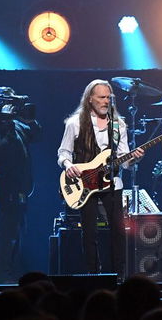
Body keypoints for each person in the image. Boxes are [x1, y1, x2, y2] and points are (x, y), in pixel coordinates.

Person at [58, 80, 143, 276]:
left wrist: (135, 159)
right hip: (84, 184)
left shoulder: (118, 125)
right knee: (89, 233)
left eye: (109, 98)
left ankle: (117, 275)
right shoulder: (74, 123)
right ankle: (93, 275)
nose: (106, 102)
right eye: (102, 97)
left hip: (112, 184)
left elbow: (125, 162)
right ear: (90, 100)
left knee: (119, 232)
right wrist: (68, 165)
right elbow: (63, 152)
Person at [0, 87, 42, 283]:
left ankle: (13, 272)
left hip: (21, 184)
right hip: (5, 184)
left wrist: (30, 119)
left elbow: (37, 136)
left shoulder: (16, 124)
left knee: (17, 230)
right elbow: (4, 148)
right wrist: (6, 121)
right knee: (6, 230)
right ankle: (0, 276)